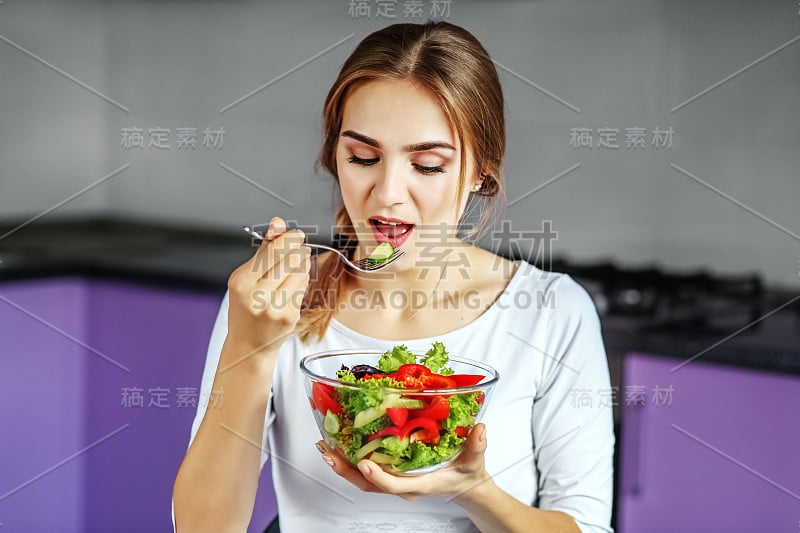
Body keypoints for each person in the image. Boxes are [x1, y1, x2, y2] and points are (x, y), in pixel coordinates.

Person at [173, 21, 614, 533]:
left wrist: (472, 490)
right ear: (334, 156)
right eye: (364, 157)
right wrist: (248, 350)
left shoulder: (552, 312)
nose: (387, 194)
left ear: (480, 173)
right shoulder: (272, 304)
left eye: (427, 165)